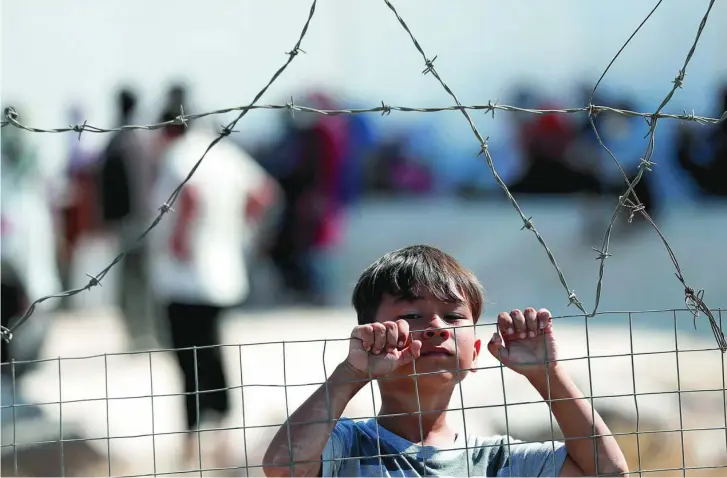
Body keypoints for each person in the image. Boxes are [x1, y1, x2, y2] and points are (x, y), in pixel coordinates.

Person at [263, 245, 629, 477]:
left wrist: (547, 374)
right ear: (372, 334)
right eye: (414, 316)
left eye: (454, 318)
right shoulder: (347, 446)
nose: (437, 327)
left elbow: (608, 473)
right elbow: (282, 466)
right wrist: (351, 372)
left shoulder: (498, 462)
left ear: (474, 352)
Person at [149, 112, 280, 466]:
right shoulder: (224, 152)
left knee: (186, 358)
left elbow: (189, 195)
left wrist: (180, 240)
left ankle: (194, 433)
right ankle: (219, 423)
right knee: (211, 350)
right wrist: (239, 231)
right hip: (222, 271)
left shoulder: (180, 154)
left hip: (185, 275)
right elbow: (263, 192)